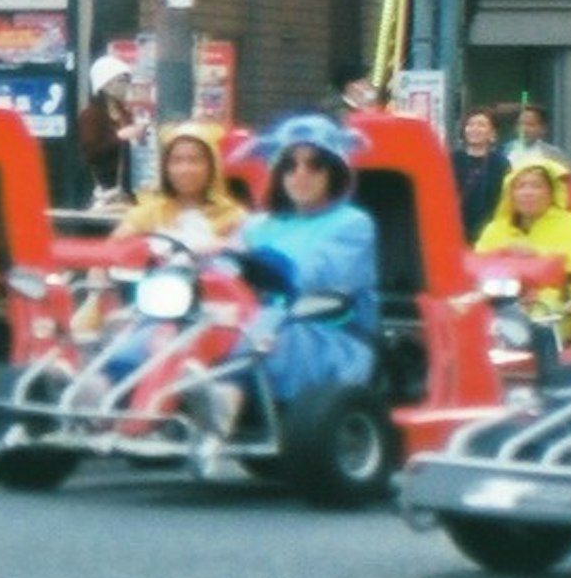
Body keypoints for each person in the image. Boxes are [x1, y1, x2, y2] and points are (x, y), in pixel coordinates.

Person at [234, 114, 381, 403]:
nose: (300, 174)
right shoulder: (258, 225)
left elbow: (313, 277)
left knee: (259, 336)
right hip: (258, 323)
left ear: (334, 172)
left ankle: (214, 433)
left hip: (329, 337)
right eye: (289, 165)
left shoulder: (353, 223)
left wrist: (258, 264)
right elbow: (223, 268)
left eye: (315, 165)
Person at [473, 159, 571, 345]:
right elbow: (478, 266)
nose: (527, 192)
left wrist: (532, 254)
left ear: (552, 193)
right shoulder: (494, 229)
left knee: (531, 323)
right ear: (510, 193)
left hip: (557, 303)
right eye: (520, 186)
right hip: (497, 300)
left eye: (536, 186)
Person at [119, 118, 246, 249]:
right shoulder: (144, 216)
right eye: (176, 160)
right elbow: (111, 256)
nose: (185, 170)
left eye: (195, 160)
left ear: (212, 167)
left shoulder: (233, 218)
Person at [73, 55, 144, 208]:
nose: (126, 86)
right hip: (100, 190)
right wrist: (119, 136)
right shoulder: (91, 116)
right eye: (121, 81)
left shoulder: (125, 114)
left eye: (127, 81)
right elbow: (91, 151)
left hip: (125, 190)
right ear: (105, 84)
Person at [450, 110, 507, 239]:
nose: (474, 128)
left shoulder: (500, 163)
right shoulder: (451, 159)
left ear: (493, 133)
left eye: (481, 125)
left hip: (489, 232)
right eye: (470, 124)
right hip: (454, 230)